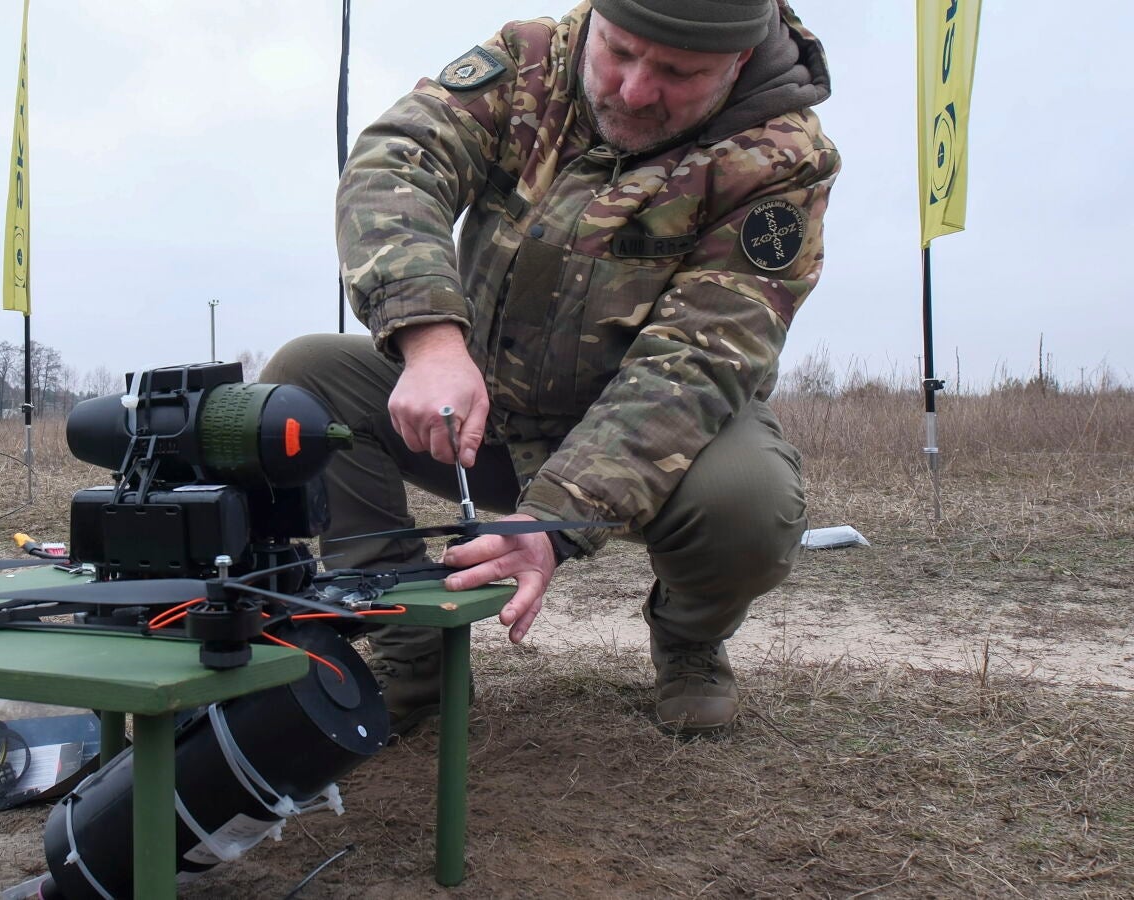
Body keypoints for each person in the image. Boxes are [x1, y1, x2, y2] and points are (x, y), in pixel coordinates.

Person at [263, 0, 838, 736]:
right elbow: (396, 160)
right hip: (482, 412)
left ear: (738, 61)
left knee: (750, 501)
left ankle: (689, 639)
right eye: (619, 51)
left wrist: (555, 518)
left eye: (678, 72)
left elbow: (697, 361)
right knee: (306, 381)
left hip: (654, 433)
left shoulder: (783, 161)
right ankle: (412, 652)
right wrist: (430, 339)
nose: (634, 90)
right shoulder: (529, 60)